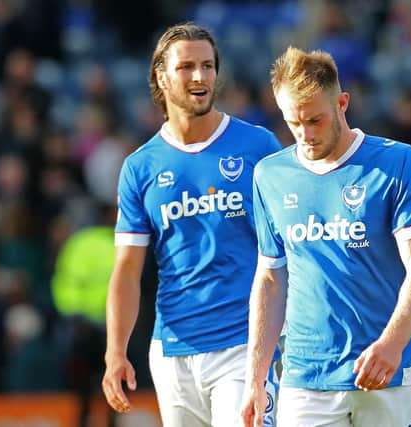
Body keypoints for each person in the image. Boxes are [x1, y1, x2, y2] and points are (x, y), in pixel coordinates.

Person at [241, 46, 411, 427]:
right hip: (305, 376)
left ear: (342, 103)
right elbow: (270, 278)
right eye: (293, 123)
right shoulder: (269, 175)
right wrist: (255, 379)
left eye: (314, 120)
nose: (304, 135)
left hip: (389, 372)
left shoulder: (397, 161)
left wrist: (392, 343)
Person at [101, 22, 281, 427]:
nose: (200, 77)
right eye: (186, 67)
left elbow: (290, 246)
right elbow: (127, 270)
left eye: (208, 66)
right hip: (172, 352)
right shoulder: (140, 168)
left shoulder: (259, 147)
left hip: (245, 344)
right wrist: (115, 351)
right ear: (161, 77)